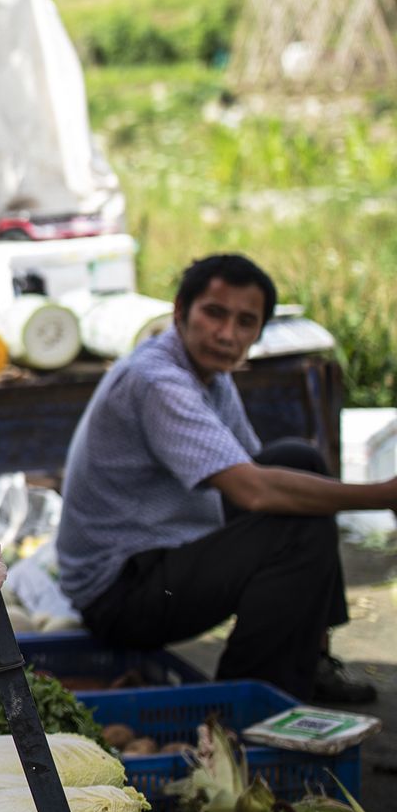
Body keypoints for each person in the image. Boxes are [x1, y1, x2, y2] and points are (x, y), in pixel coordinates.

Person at [56, 254, 382, 704]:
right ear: (179, 312)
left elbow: (257, 469)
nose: (227, 334)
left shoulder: (210, 373)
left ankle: (311, 654)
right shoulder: (157, 380)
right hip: (119, 593)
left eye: (246, 322)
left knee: (298, 461)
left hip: (165, 556)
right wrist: (383, 495)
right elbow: (253, 490)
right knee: (297, 530)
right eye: (214, 313)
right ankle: (249, 705)